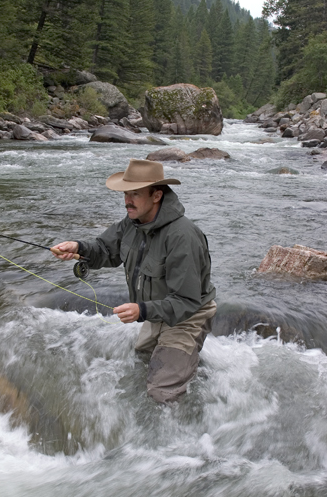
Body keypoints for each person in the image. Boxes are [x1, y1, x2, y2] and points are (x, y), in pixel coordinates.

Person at [52, 158, 216, 403]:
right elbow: (104, 249)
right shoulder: (132, 223)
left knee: (162, 391)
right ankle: (187, 364)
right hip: (156, 310)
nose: (127, 201)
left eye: (135, 194)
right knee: (143, 361)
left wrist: (142, 310)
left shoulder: (183, 236)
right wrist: (79, 247)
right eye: (126, 194)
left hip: (188, 314)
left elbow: (186, 301)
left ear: (157, 195)